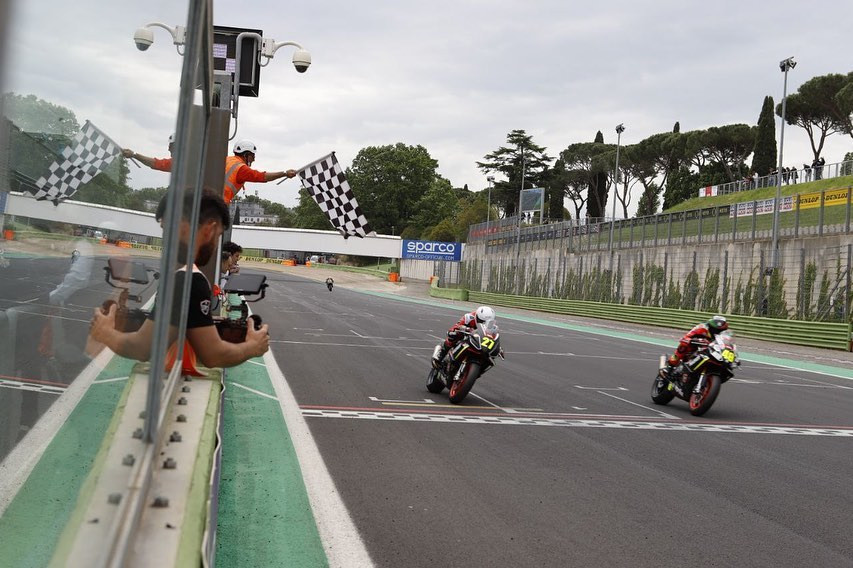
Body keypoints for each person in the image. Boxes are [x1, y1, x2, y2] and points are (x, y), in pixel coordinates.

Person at [90, 189, 269, 368]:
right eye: (218, 237)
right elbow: (212, 355)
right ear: (210, 229)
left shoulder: (179, 276)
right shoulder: (190, 280)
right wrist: (253, 347)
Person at [223, 140, 298, 204]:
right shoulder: (241, 168)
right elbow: (262, 176)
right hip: (218, 203)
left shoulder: (227, 159)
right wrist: (285, 173)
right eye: (253, 156)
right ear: (246, 155)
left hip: (213, 198)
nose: (254, 160)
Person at [663, 315, 729, 380]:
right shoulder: (702, 328)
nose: (717, 332)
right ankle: (670, 366)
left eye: (720, 331)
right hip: (695, 347)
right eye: (715, 330)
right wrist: (693, 340)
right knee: (683, 346)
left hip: (710, 351)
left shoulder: (723, 336)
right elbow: (686, 337)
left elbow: (726, 346)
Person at [432, 305, 497, 368]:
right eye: (482, 321)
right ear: (477, 317)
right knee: (453, 336)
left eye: (486, 322)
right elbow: (454, 328)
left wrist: (497, 346)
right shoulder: (469, 317)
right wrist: (461, 329)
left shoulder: (491, 324)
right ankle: (440, 354)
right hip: (466, 335)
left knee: (489, 354)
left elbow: (493, 335)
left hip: (478, 339)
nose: (484, 323)